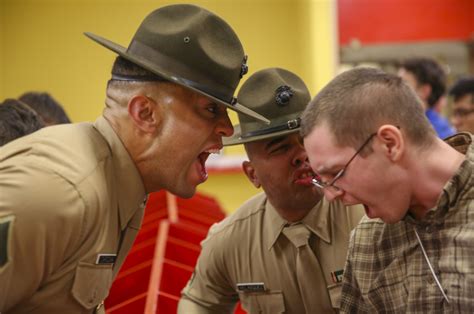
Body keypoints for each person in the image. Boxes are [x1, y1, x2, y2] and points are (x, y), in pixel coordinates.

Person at [0, 4, 268, 313]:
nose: (226, 128)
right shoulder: (60, 191)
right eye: (210, 109)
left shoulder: (117, 188)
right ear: (145, 113)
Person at [178, 68, 365, 313]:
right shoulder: (232, 241)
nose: (302, 156)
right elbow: (198, 302)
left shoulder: (366, 216)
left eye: (306, 140)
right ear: (252, 173)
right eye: (280, 148)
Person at [301, 67, 473, 312]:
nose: (331, 195)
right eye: (322, 180)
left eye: (336, 173)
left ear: (390, 144)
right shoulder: (368, 242)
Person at [398, 57, 456, 139]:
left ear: (424, 91)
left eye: (403, 84)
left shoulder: (437, 133)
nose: (395, 89)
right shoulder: (406, 124)